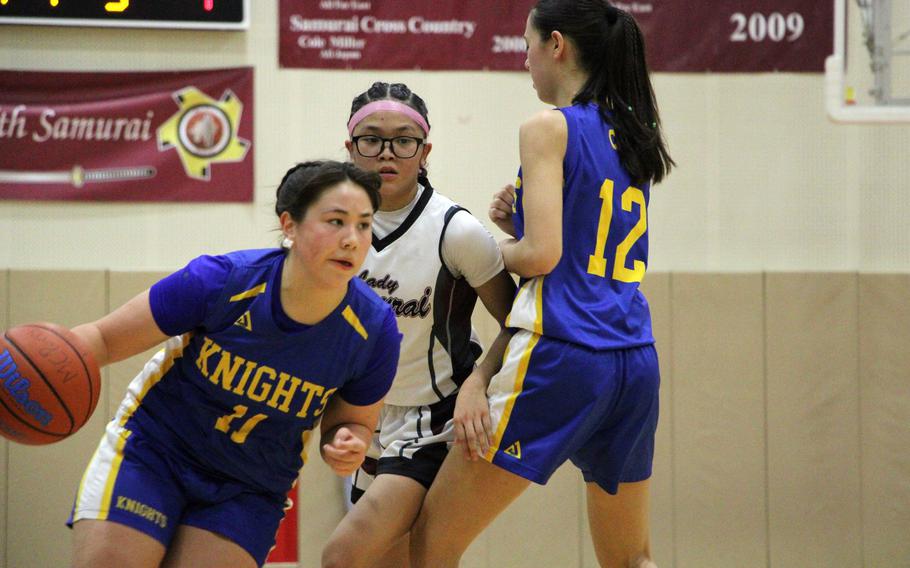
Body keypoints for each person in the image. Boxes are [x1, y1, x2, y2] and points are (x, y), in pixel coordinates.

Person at [409, 2, 675, 567]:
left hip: (564, 356)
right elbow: (579, 250)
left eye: (527, 45)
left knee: (431, 542)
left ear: (557, 44)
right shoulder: (633, 133)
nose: (524, 59)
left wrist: (476, 254)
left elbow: (541, 256)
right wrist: (522, 227)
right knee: (631, 559)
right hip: (634, 359)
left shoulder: (547, 127)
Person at [65, 160, 402, 568]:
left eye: (364, 225)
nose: (351, 239)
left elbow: (352, 422)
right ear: (289, 226)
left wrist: (348, 442)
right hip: (155, 453)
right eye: (336, 221)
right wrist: (34, 364)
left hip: (250, 487)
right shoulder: (222, 280)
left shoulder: (374, 331)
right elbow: (101, 340)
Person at [321, 82, 516, 568]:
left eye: (403, 140)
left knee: (343, 556)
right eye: (372, 139)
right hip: (367, 415)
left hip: (437, 418)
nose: (387, 152)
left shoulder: (456, 230)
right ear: (350, 148)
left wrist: (478, 383)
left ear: (425, 151)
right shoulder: (331, 231)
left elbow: (518, 324)